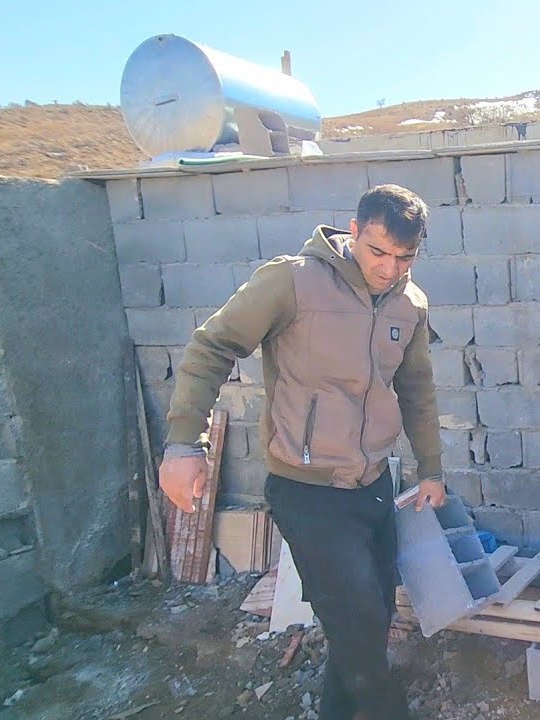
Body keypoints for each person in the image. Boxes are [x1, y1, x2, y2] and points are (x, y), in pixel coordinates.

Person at [158, 184, 448, 720]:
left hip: (372, 485)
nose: (389, 269)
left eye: (405, 257)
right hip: (306, 490)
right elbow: (213, 344)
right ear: (354, 231)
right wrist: (184, 443)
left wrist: (431, 468)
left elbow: (416, 389)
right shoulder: (292, 281)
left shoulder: (409, 303)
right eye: (378, 252)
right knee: (358, 621)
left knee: (368, 618)